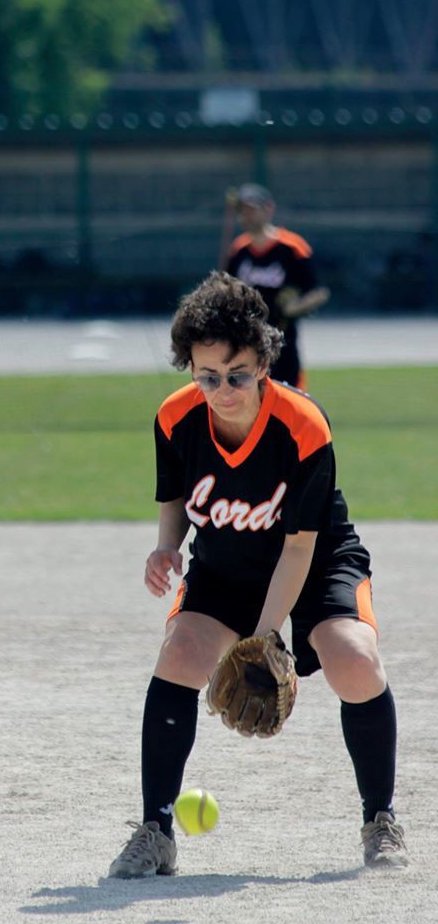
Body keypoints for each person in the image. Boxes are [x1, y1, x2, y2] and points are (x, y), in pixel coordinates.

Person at [108, 272, 407, 878]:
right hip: (225, 564)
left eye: (237, 374)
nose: (222, 389)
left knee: (353, 659)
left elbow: (298, 550)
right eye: (207, 375)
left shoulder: (302, 425)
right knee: (181, 654)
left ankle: (381, 819)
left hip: (317, 561)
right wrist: (167, 547)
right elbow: (175, 498)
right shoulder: (175, 418)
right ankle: (156, 830)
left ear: (264, 362)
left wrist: (268, 638)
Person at [222, 183, 330, 389]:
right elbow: (228, 292)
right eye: (242, 211)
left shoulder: (292, 248)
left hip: (282, 343)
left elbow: (318, 292)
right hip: (247, 343)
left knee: (291, 401)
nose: (246, 215)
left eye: (251, 209)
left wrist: (296, 307)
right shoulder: (238, 250)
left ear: (268, 209)